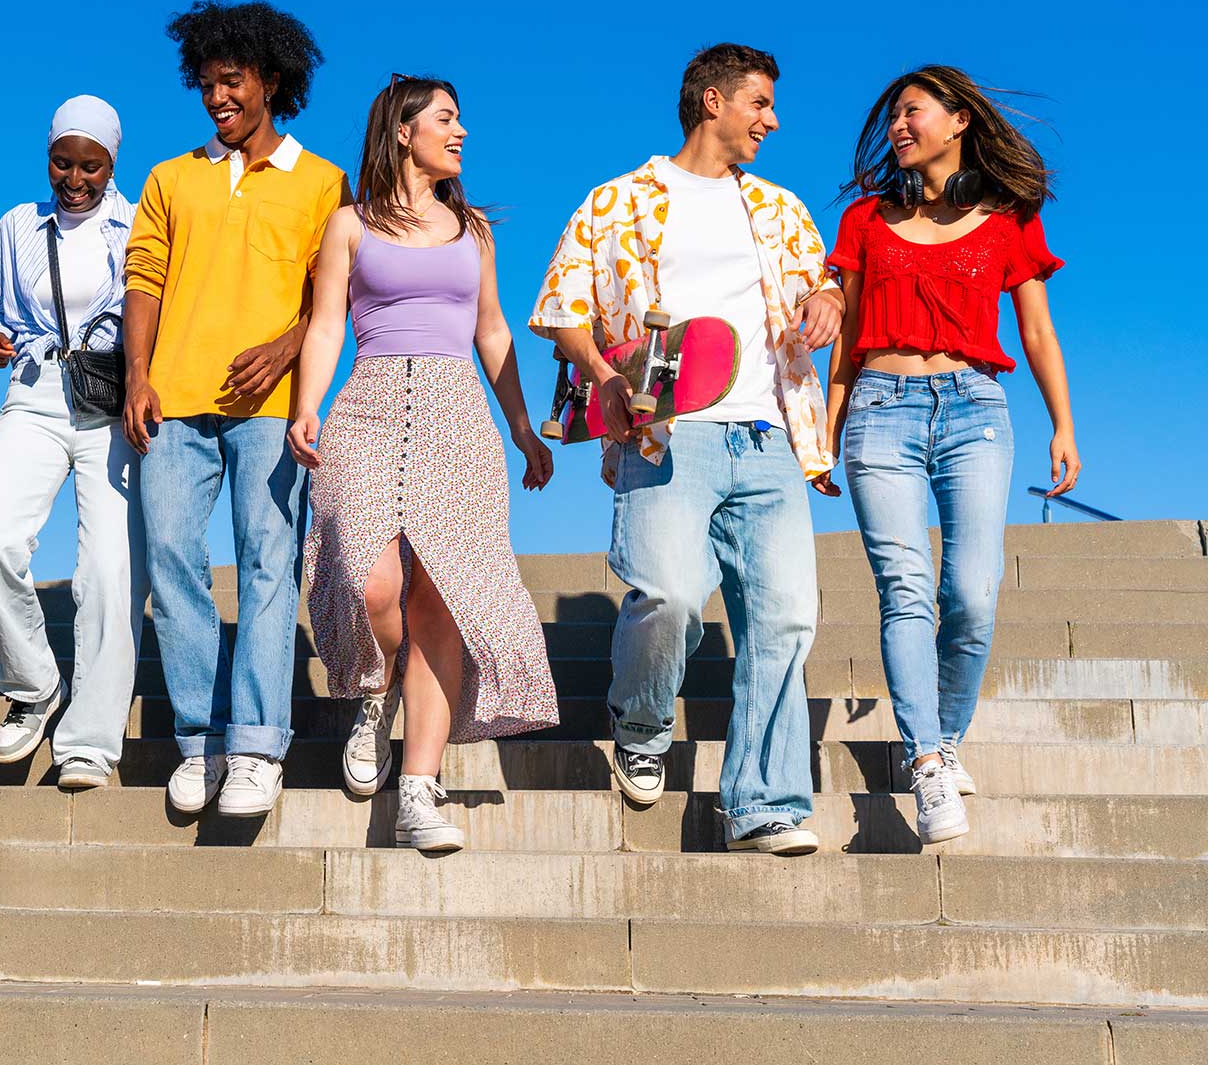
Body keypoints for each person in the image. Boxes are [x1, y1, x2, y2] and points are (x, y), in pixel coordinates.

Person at [528, 44, 844, 856]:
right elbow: (561, 305)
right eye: (760, 103)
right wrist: (603, 369)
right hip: (664, 430)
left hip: (769, 433)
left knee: (785, 619)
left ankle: (766, 803)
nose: (772, 120)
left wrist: (828, 302)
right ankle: (640, 719)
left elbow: (820, 280)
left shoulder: (780, 207)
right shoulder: (620, 199)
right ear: (713, 100)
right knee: (667, 591)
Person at [290, 76, 558, 852]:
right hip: (368, 404)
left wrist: (522, 427)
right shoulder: (350, 224)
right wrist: (309, 404)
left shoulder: (473, 229)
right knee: (369, 581)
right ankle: (372, 691)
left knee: (441, 595)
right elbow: (327, 324)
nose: (462, 130)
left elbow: (493, 331)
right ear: (403, 130)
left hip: (455, 412)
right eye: (446, 118)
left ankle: (418, 787)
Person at [821, 65, 1077, 845]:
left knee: (971, 592)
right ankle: (927, 762)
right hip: (880, 412)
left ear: (959, 119)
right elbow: (846, 333)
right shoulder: (865, 219)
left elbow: (1035, 329)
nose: (899, 125)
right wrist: (825, 429)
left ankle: (949, 731)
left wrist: (1063, 425)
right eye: (893, 115)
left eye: (913, 111)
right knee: (906, 589)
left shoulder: (1008, 217)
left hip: (976, 412)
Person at [122, 0, 350, 817]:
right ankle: (198, 738)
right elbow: (142, 278)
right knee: (173, 564)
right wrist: (138, 375)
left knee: (267, 566)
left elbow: (337, 296)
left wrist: (288, 349)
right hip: (172, 402)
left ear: (272, 80)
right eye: (207, 84)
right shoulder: (168, 178)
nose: (218, 97)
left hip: (273, 410)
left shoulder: (323, 182)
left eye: (232, 81)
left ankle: (256, 744)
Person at [0, 95, 146, 790]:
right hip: (36, 391)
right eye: (62, 162)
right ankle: (34, 682)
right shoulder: (17, 225)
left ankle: (90, 743)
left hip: (113, 401)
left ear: (112, 162)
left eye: (90, 165)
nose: (74, 178)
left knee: (109, 570)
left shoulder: (139, 222)